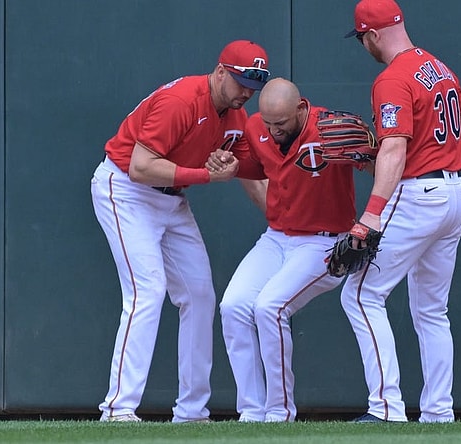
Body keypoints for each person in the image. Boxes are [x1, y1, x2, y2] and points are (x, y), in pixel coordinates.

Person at [90, 40, 270, 423]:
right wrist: (207, 175)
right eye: (240, 82)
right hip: (125, 190)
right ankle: (118, 409)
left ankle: (191, 411)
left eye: (252, 85)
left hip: (171, 200)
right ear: (221, 71)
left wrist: (283, 215)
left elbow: (246, 172)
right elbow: (140, 166)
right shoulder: (183, 101)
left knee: (200, 295)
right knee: (147, 291)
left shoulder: (235, 117)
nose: (245, 92)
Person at [341, 0, 461, 423]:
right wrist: (380, 156)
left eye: (362, 37)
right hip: (454, 195)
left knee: (360, 295)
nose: (363, 45)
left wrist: (370, 216)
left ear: (373, 35)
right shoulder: (438, 67)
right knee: (433, 310)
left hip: (418, 196)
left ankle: (385, 409)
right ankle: (439, 413)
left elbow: (397, 148)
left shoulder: (392, 78)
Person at [210, 78, 359, 422]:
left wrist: (369, 154)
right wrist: (230, 166)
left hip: (323, 240)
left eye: (281, 123)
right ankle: (250, 411)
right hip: (277, 237)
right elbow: (255, 166)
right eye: (268, 123)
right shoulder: (255, 126)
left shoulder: (331, 127)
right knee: (233, 307)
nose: (273, 130)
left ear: (301, 108)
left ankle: (279, 412)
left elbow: (376, 160)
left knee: (269, 308)